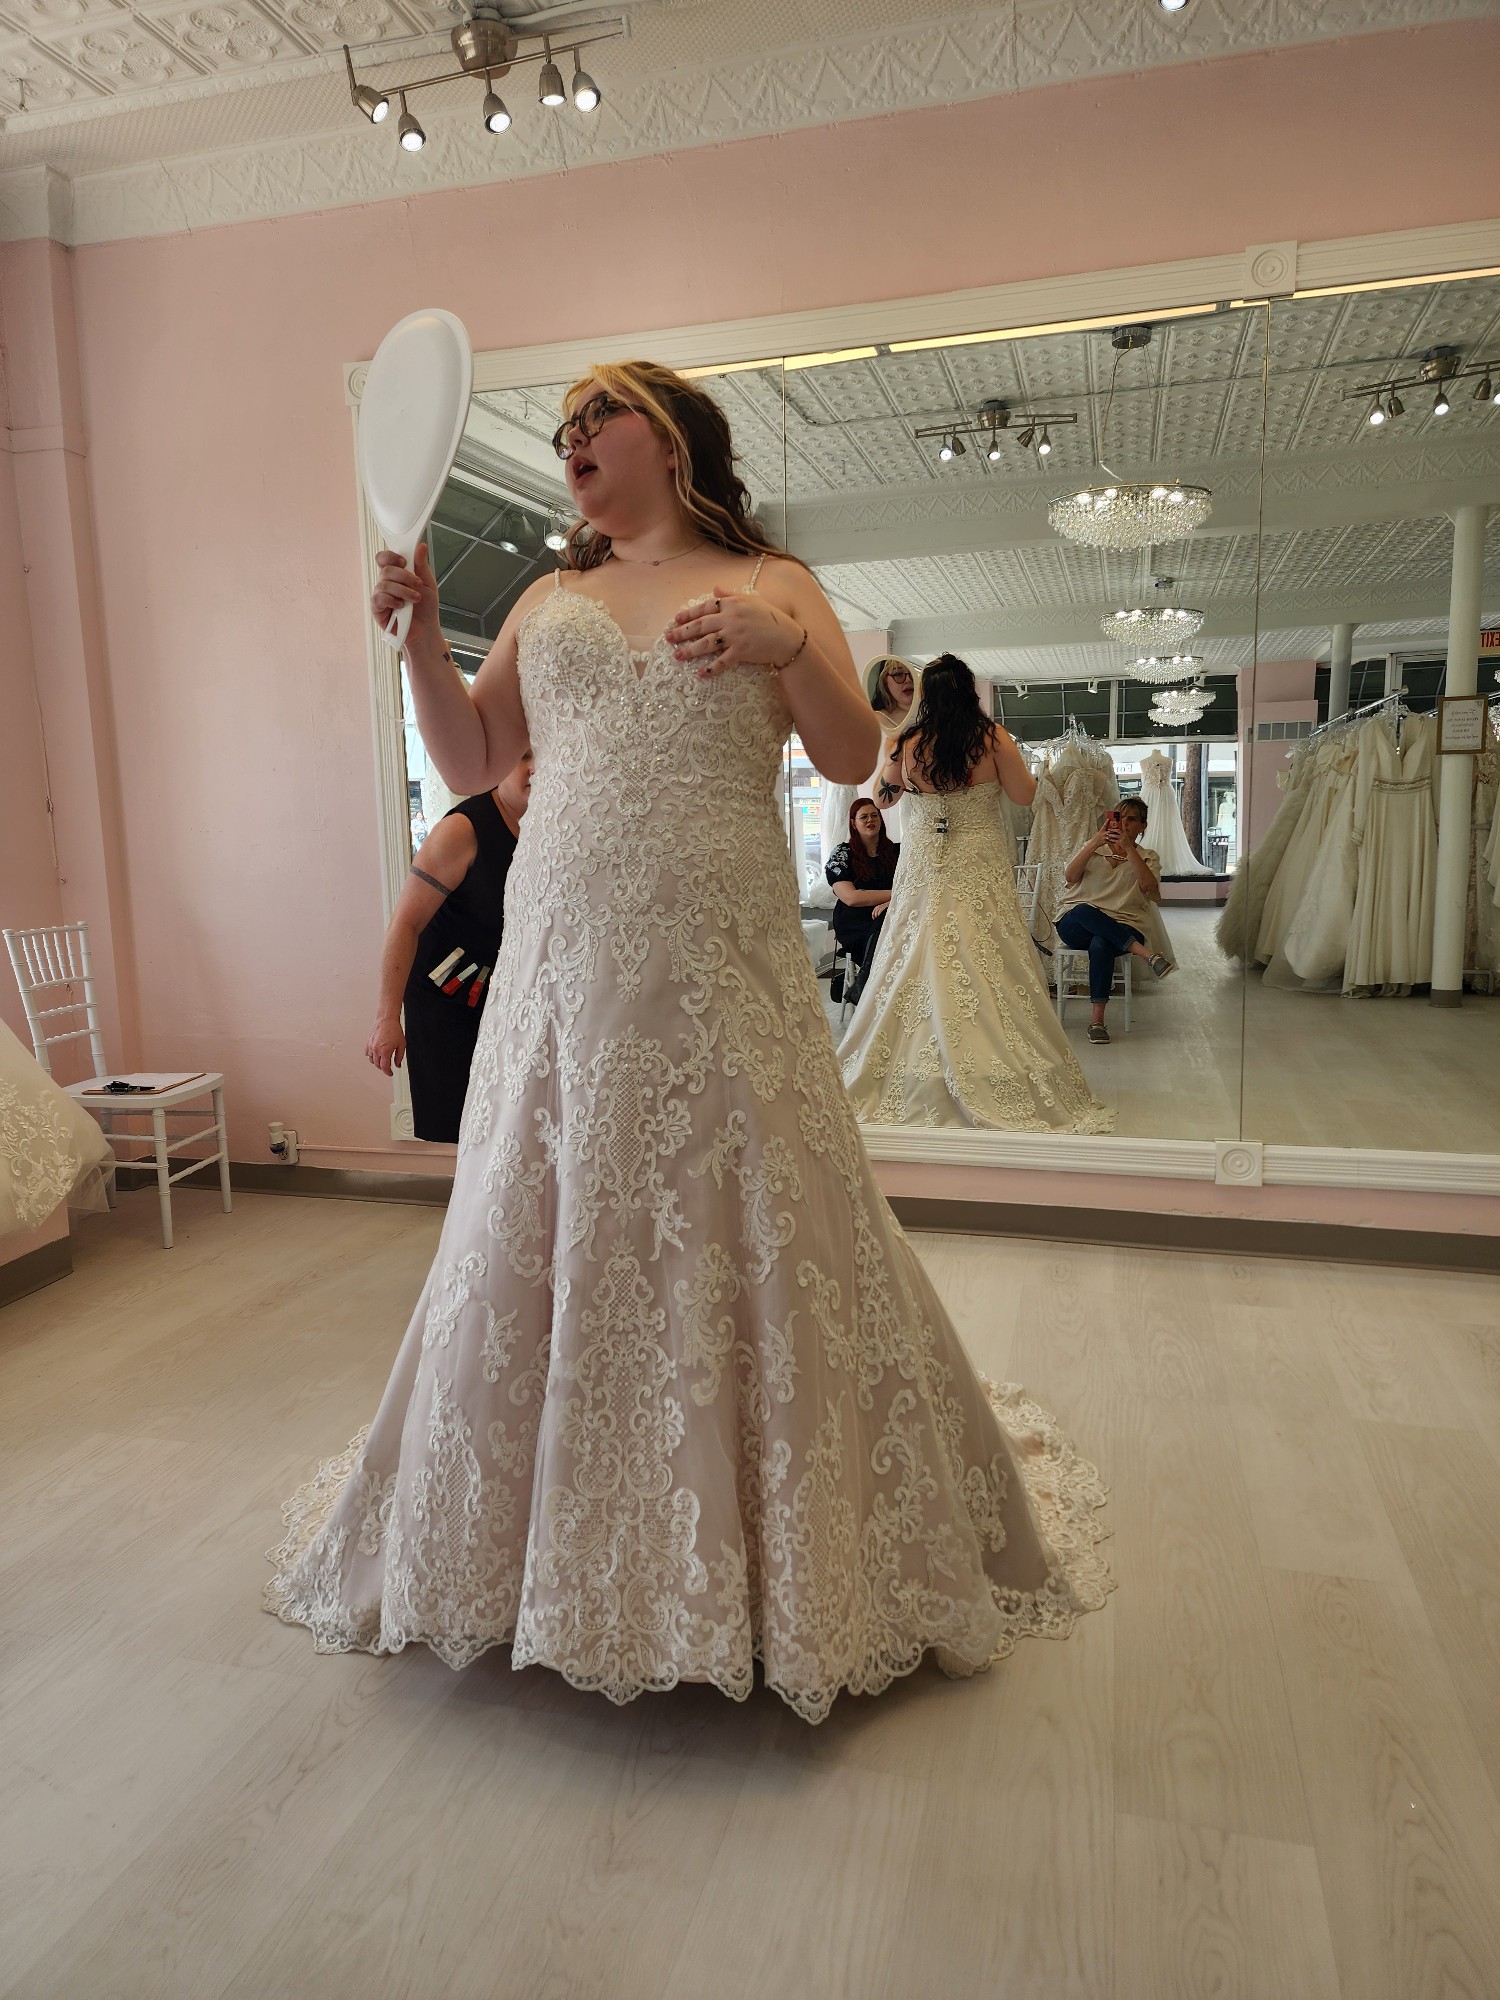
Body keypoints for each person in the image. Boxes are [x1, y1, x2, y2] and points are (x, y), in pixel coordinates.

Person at [265, 364, 1110, 1722]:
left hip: (720, 959)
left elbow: (849, 753)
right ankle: (524, 1550)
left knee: (749, 1209)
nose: (571, 444)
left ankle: (772, 1554)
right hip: (562, 960)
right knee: (551, 1210)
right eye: (562, 431)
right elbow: (474, 759)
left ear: (665, 437)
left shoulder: (773, 578)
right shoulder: (549, 596)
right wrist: (418, 638)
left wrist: (785, 650)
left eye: (592, 422)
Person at [839, 654, 1112, 1134]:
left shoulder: (907, 742)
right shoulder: (992, 738)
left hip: (925, 860)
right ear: (969, 692)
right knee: (985, 947)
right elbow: (1025, 796)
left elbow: (883, 799)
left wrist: (894, 759)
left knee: (915, 948)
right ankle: (991, 1062)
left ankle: (909, 1066)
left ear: (926, 696)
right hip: (977, 860)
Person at [366, 754, 533, 1141]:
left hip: (509, 1000)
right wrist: (386, 1018)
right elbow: (405, 924)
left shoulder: (555, 828)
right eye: (523, 756)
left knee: (516, 1129)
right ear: (499, 764)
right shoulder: (462, 830)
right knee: (466, 1131)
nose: (536, 768)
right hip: (447, 1004)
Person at [1055, 797, 1171, 1045]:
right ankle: (1146, 954)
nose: (1124, 823)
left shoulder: (1148, 857)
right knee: (1084, 910)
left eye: (1132, 819)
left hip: (1125, 924)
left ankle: (1097, 1021)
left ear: (1143, 826)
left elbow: (1150, 889)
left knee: (1102, 943)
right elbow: (1070, 876)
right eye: (1119, 817)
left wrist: (1129, 849)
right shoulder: (1094, 848)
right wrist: (1094, 842)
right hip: (1076, 924)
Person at [818, 654, 916, 864]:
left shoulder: (923, 718)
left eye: (911, 675)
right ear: (885, 681)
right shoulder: (877, 719)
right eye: (898, 675)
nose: (907, 680)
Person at [824, 796, 899, 1006]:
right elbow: (851, 898)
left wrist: (891, 903)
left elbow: (918, 887)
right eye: (863, 817)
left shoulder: (898, 852)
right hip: (855, 921)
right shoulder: (842, 854)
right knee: (887, 926)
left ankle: (867, 986)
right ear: (853, 823)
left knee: (892, 921)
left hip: (891, 915)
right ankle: (876, 990)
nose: (870, 820)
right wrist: (896, 895)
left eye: (875, 815)